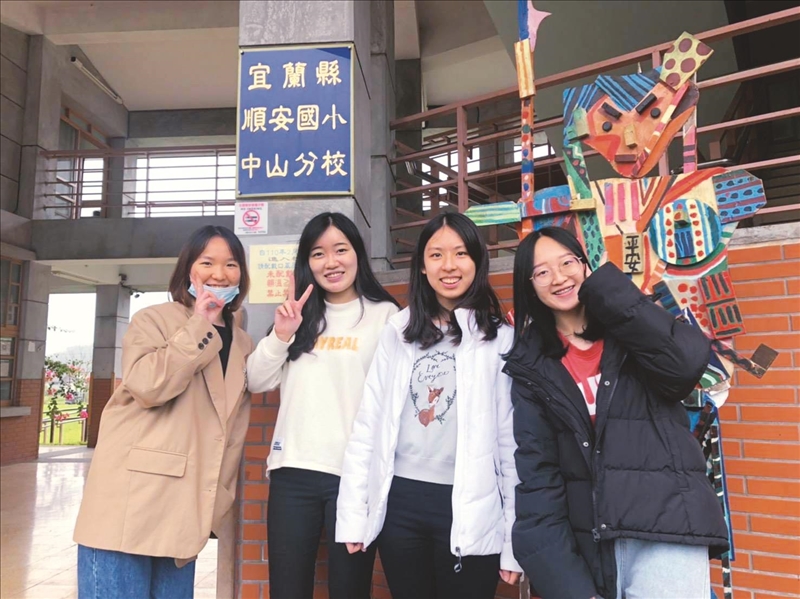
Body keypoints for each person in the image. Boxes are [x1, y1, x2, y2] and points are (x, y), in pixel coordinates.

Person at [503, 226, 729, 599]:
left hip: (667, 526)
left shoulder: (634, 329)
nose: (558, 277)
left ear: (585, 265)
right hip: (590, 540)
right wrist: (567, 583)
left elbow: (685, 366)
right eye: (541, 272)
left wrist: (609, 291)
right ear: (530, 287)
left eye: (567, 262)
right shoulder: (530, 366)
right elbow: (538, 477)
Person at [336, 212, 523, 599]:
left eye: (460, 253)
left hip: (470, 505)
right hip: (401, 504)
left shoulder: (500, 340)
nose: (449, 265)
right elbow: (368, 426)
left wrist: (513, 540)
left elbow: (512, 445)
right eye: (436, 255)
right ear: (422, 266)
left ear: (477, 261)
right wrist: (354, 515)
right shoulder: (398, 333)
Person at [74, 225, 253, 599]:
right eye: (207, 262)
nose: (219, 274)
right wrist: (200, 324)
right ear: (188, 269)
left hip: (184, 515)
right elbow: (147, 386)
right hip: (131, 504)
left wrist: (217, 500)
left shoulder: (241, 341)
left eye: (231, 264)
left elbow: (231, 429)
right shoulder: (153, 319)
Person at [246, 212, 399, 599]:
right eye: (318, 253)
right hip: (292, 472)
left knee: (350, 589)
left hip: (353, 477)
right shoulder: (298, 316)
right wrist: (282, 334)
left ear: (358, 253)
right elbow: (257, 381)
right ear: (307, 263)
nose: (331, 262)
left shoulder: (386, 316)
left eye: (340, 250)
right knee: (287, 589)